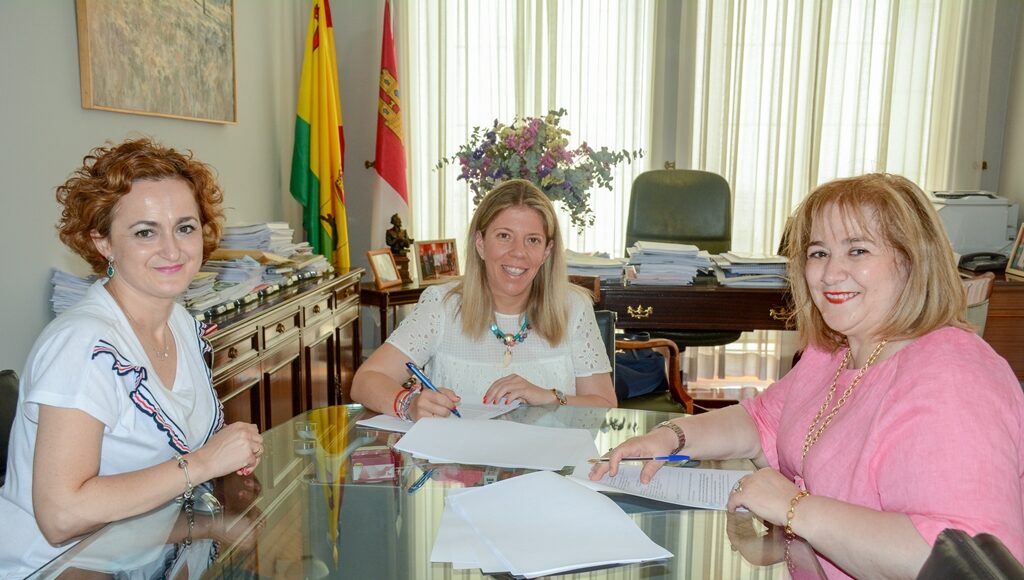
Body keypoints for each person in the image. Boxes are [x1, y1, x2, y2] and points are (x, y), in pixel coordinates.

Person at [592, 173, 1024, 579]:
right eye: (818, 253)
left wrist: (794, 508)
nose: (830, 273)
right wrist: (671, 436)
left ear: (913, 261)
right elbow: (760, 420)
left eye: (858, 250)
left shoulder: (955, 377)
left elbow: (965, 559)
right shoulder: (834, 349)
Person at [0, 138, 264, 577]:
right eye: (145, 232)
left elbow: (161, 469)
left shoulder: (179, 321)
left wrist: (211, 516)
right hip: (55, 568)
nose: (173, 250)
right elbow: (61, 516)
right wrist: (204, 463)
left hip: (140, 552)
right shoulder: (84, 346)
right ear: (102, 242)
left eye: (185, 227)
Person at [351, 179, 616, 420]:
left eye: (533, 240)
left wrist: (547, 397)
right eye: (504, 236)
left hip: (552, 458)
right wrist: (409, 404)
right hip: (457, 458)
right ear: (480, 242)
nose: (518, 252)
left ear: (547, 251)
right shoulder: (442, 305)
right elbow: (365, 380)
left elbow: (605, 404)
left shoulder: (573, 306)